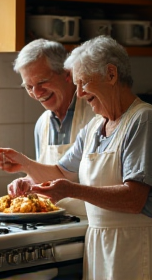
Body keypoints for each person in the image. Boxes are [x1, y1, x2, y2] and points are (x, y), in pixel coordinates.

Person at [0, 35, 152, 279]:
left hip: (141, 247)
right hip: (101, 247)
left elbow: (134, 199)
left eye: (83, 83)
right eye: (75, 84)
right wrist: (23, 163)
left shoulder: (145, 121)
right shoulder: (95, 127)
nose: (78, 93)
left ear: (111, 74)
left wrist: (73, 190)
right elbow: (61, 172)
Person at [6, 39, 94, 215]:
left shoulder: (94, 116)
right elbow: (46, 173)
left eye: (42, 82)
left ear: (67, 74)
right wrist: (29, 181)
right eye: (29, 87)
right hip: (53, 223)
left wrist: (26, 165)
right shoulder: (42, 123)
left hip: (87, 223)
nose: (37, 93)